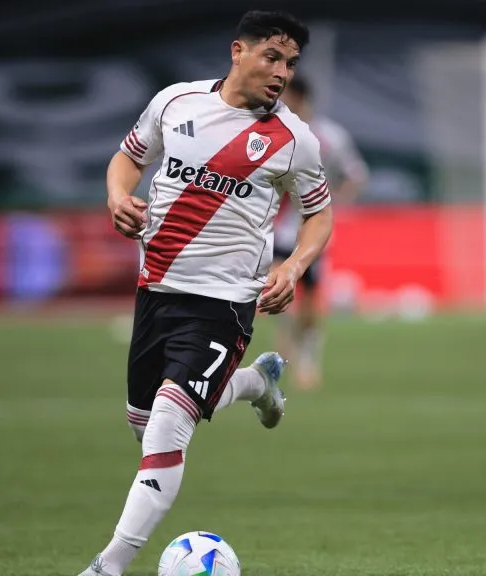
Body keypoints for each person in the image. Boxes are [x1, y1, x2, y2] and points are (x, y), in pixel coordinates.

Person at [80, 10, 333, 576]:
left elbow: (320, 215)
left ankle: (107, 566)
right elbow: (128, 158)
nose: (282, 72)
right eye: (272, 57)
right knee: (145, 424)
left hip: (224, 303)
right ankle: (255, 383)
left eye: (291, 63)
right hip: (156, 291)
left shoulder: (294, 139)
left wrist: (293, 267)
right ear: (238, 51)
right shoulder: (176, 102)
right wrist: (117, 196)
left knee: (168, 425)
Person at [273, 74, 369, 389]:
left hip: (313, 230)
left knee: (311, 297)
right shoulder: (272, 130)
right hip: (277, 229)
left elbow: (356, 175)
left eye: (284, 95)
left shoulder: (329, 137)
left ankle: (307, 356)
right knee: (278, 286)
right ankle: (285, 342)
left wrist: (331, 202)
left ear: (298, 97)